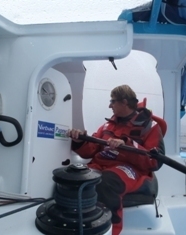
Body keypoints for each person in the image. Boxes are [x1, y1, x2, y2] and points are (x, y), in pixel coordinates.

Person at [67, 84, 165, 235]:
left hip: (130, 169)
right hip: (101, 165)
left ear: (124, 102)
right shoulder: (107, 125)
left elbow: (155, 161)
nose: (109, 105)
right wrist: (79, 140)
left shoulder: (150, 127)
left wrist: (128, 145)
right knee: (72, 177)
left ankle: (109, 230)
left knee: (106, 182)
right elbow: (90, 150)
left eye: (112, 101)